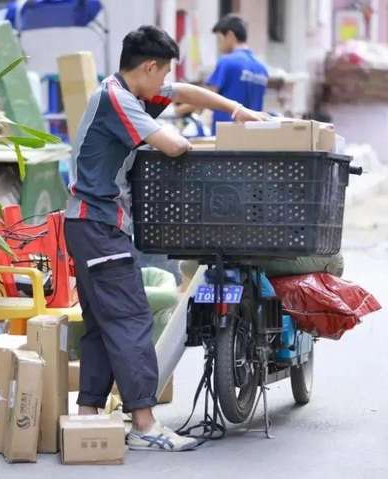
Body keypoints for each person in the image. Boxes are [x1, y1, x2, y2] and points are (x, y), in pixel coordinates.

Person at [64, 25, 267, 451]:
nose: (164, 84)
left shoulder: (128, 91)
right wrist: (197, 143)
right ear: (149, 66)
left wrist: (235, 109)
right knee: (132, 319)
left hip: (92, 226)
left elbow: (184, 92)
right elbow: (172, 145)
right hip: (98, 225)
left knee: (103, 325)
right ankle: (144, 424)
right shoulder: (117, 99)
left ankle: (87, 420)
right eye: (162, 74)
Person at [206, 15, 269, 134]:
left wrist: (179, 110)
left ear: (230, 35)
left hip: (227, 134)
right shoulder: (262, 68)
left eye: (219, 39)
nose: (219, 45)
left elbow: (207, 97)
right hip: (254, 135)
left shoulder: (227, 61)